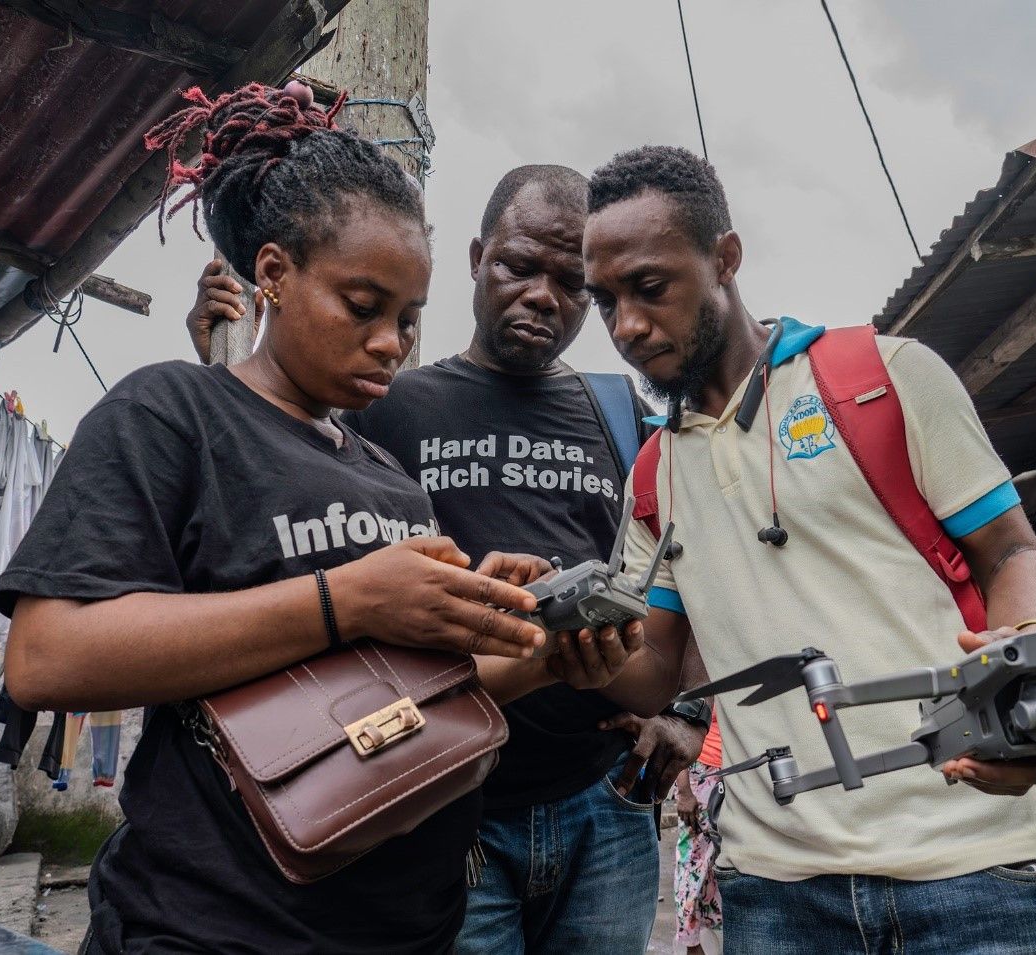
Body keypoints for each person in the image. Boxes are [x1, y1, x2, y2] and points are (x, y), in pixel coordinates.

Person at [0, 84, 639, 955]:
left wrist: (536, 648)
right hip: (217, 928)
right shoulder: (175, 414)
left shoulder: (390, 482)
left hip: (404, 929)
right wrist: (349, 599)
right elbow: (45, 657)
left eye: (408, 320)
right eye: (362, 306)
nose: (391, 343)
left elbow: (399, 709)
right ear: (273, 275)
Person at [189, 163, 709, 954]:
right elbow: (273, 477)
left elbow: (686, 563)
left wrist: (685, 712)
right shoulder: (386, 403)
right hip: (440, 796)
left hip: (602, 799)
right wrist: (224, 359)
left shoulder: (621, 415)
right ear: (475, 258)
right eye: (518, 266)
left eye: (572, 282)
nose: (543, 295)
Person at [584, 145, 1036, 953]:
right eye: (604, 301)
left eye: (649, 288)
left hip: (976, 870)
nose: (628, 327)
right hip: (777, 893)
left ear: (725, 258)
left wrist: (1033, 651)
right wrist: (558, 637)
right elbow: (652, 669)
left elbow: (1014, 555)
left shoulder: (884, 377)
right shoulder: (656, 473)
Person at [674, 712, 724, 955]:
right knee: (693, 862)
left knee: (722, 862)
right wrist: (683, 791)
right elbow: (678, 730)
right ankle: (691, 944)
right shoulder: (698, 675)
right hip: (701, 772)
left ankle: (713, 937)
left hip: (734, 771)